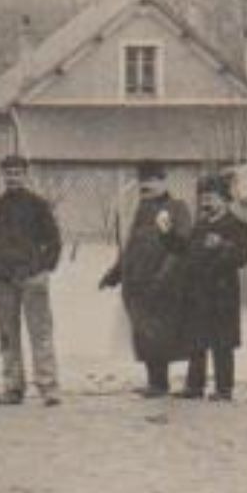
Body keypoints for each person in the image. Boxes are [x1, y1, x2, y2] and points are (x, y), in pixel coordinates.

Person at [100, 160, 193, 397]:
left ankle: (160, 384)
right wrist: (115, 273)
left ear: (164, 181)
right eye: (143, 181)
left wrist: (163, 277)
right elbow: (131, 247)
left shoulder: (177, 208)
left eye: (152, 180)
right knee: (144, 334)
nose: (146, 186)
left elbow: (181, 247)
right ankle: (154, 380)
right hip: (137, 284)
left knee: (160, 333)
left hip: (162, 284)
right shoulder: (141, 210)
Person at [0, 154, 63, 407]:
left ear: (26, 175)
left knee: (41, 333)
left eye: (17, 173)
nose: (12, 177)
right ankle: (13, 387)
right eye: (8, 173)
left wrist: (43, 269)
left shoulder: (38, 205)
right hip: (1, 280)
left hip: (32, 279)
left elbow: (54, 241)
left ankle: (48, 387)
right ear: (2, 176)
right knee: (7, 335)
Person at [179, 174, 247, 401]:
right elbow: (186, 252)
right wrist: (168, 236)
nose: (205, 203)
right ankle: (194, 386)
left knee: (223, 343)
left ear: (223, 199)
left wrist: (223, 245)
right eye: (203, 198)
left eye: (210, 198)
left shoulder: (238, 225)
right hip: (198, 292)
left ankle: (224, 388)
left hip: (222, 294)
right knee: (196, 341)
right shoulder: (199, 226)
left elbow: (244, 256)